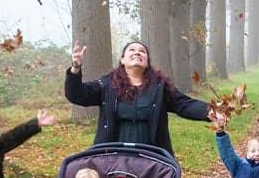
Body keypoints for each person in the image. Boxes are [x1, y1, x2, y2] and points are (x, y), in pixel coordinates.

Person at [64, 41, 211, 156]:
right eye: (132, 50)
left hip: (152, 158)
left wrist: (211, 111)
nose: (137, 53)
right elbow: (78, 95)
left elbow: (184, 105)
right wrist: (75, 68)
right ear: (122, 59)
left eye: (142, 51)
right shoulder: (107, 84)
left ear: (147, 62)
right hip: (112, 157)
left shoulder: (160, 87)